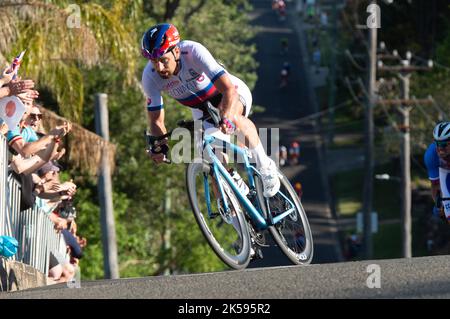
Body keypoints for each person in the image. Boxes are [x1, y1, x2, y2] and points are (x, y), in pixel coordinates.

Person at [141, 23, 280, 197]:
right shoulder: (149, 76)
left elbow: (229, 90)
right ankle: (238, 210)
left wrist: (227, 117)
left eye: (163, 60)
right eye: (154, 61)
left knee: (233, 118)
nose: (159, 68)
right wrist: (160, 147)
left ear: (176, 52)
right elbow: (156, 121)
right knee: (213, 167)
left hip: (229, 93)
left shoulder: (193, 52)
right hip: (202, 109)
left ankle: (266, 166)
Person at [424, 122, 450, 224]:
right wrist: (439, 203)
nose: (440, 148)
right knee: (439, 210)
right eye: (437, 143)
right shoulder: (431, 156)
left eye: (443, 144)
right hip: (445, 172)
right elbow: (435, 186)